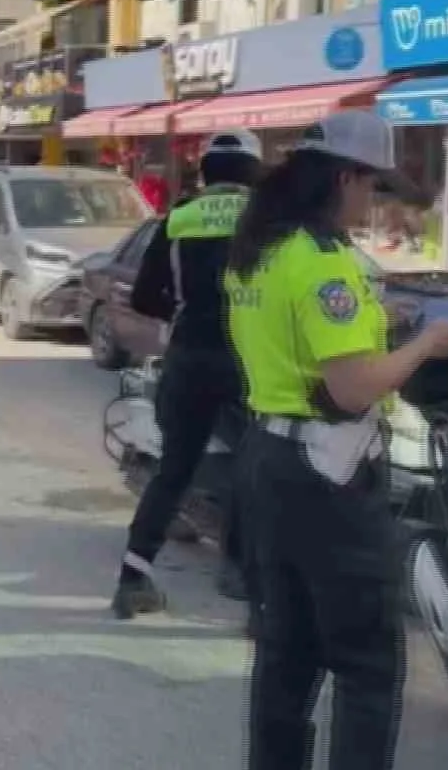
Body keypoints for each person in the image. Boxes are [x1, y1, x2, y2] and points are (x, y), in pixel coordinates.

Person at [225, 110, 448, 770]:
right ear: (343, 178)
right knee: (367, 663)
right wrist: (425, 342)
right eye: (372, 187)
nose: (373, 202)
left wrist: (379, 317)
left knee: (288, 650)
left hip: (270, 458)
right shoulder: (323, 266)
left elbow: (301, 341)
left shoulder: (265, 250)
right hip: (327, 468)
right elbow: (352, 390)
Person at [111, 130, 264, 622]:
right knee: (253, 465)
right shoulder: (270, 223)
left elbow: (143, 299)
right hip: (250, 361)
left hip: (189, 356)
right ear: (255, 173)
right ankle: (239, 572)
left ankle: (133, 577)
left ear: (205, 173)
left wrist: (181, 308)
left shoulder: (179, 219)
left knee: (174, 470)